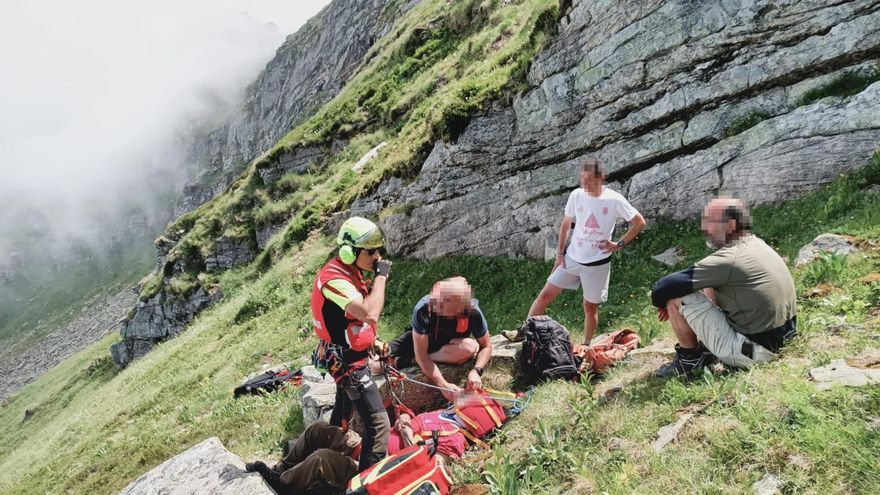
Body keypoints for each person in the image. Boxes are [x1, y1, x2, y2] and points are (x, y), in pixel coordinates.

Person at [651, 197, 797, 377]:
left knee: (676, 297)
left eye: (710, 222)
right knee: (707, 283)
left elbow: (662, 287)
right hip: (783, 338)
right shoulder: (757, 244)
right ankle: (706, 346)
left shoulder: (730, 258)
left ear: (731, 225)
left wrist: (665, 303)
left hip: (755, 352)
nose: (705, 228)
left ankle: (689, 359)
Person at [507, 157, 645, 344]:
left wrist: (618, 244)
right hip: (572, 258)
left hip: (597, 263)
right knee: (545, 295)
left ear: (601, 177)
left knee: (589, 307)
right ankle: (524, 331)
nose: (585, 184)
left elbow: (639, 222)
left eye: (589, 179)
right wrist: (559, 254)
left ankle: (586, 345)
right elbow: (566, 224)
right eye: (583, 180)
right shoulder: (577, 195)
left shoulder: (614, 199)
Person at [310, 216, 392, 471]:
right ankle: (367, 483)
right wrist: (382, 277)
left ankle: (319, 462)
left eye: (379, 249)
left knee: (341, 418)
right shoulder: (334, 279)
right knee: (378, 425)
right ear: (349, 252)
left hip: (351, 356)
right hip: (346, 362)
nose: (377, 256)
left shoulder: (351, 272)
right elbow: (369, 313)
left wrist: (373, 340)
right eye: (371, 251)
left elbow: (353, 320)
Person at [389, 277, 493, 403]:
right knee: (376, 363)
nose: (436, 304)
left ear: (458, 307)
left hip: (448, 348)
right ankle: (410, 360)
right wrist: (443, 385)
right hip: (420, 341)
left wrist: (476, 371)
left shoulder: (472, 311)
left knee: (470, 348)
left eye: (443, 304)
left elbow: (486, 345)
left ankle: (411, 360)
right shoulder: (424, 309)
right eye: (437, 300)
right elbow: (421, 353)